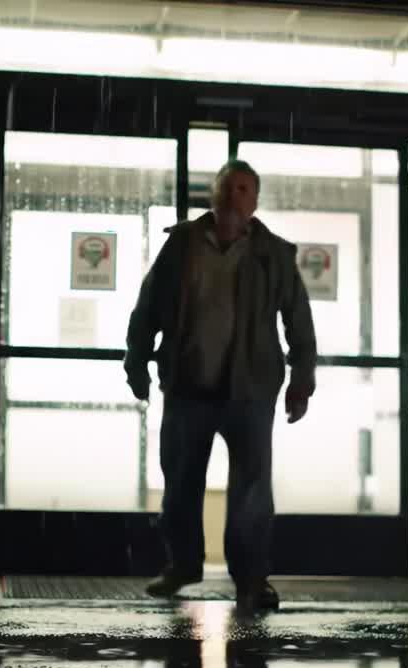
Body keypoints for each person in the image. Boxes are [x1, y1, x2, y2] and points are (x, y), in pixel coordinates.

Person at [124, 159, 317, 612]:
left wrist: (302, 380)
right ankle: (182, 565)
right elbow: (148, 307)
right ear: (213, 194)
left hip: (250, 390)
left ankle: (251, 579)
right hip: (189, 386)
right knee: (181, 483)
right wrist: (136, 362)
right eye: (228, 188)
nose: (234, 197)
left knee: (252, 491)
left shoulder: (273, 254)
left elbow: (299, 321)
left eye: (244, 190)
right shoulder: (182, 246)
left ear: (255, 202)